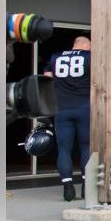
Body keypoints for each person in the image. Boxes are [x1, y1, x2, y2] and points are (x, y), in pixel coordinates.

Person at [42, 35, 91, 201]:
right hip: (84, 106)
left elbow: (47, 78)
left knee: (64, 149)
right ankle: (86, 186)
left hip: (62, 108)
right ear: (87, 46)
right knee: (86, 147)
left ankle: (68, 188)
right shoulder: (89, 57)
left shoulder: (56, 57)